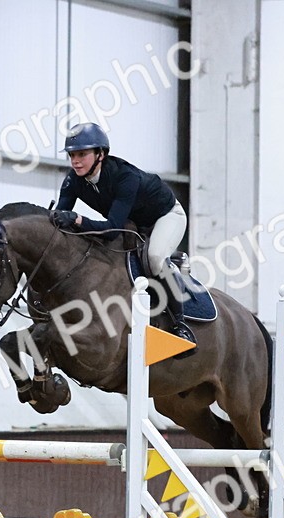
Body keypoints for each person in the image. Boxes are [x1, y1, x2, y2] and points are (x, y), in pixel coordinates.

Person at [50, 122, 195, 349]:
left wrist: (77, 219)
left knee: (155, 257)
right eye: (72, 155)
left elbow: (112, 228)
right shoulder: (73, 180)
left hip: (166, 215)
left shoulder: (124, 177)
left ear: (100, 154)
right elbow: (59, 218)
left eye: (82, 154)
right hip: (133, 220)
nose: (75, 161)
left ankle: (181, 325)